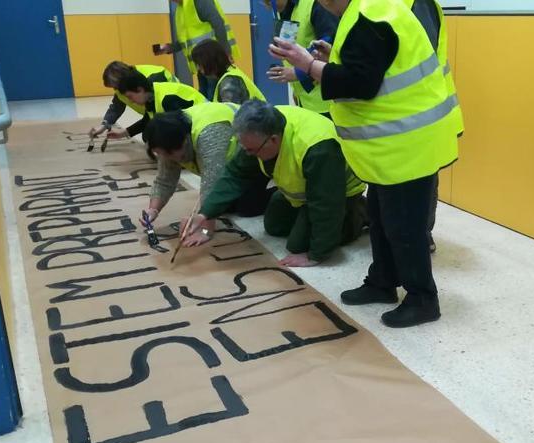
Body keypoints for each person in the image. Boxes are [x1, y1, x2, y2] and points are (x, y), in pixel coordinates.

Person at [269, 0, 459, 326]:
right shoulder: (366, 10)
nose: (320, 4)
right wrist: (333, 59)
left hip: (406, 142)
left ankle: (423, 299)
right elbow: (378, 65)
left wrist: (309, 64)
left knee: (405, 227)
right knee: (382, 218)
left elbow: (362, 84)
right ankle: (382, 282)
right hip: (390, 144)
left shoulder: (371, 16)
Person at [179, 100, 367, 268]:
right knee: (274, 225)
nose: (248, 154)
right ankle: (310, 218)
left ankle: (360, 214)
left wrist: (316, 255)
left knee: (298, 245)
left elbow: (326, 204)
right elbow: (234, 175)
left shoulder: (317, 148)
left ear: (274, 140)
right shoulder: (259, 134)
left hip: (337, 192)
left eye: (251, 150)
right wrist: (205, 214)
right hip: (302, 191)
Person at [141, 103, 271, 231]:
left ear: (184, 142)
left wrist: (205, 230)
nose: (165, 158)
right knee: (223, 204)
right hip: (234, 161)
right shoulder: (169, 138)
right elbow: (164, 180)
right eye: (160, 154)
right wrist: (153, 210)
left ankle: (277, 192)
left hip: (256, 150)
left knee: (247, 206)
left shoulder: (209, 135)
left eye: (167, 153)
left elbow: (211, 182)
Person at [404, 0, 464, 252]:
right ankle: (410, 235)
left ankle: (420, 236)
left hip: (422, 108)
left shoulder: (419, 4)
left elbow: (419, 58)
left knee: (422, 178)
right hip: (406, 109)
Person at [263, 0, 338, 116]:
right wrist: (297, 91)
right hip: (305, 100)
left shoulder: (314, 5)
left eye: (268, 2)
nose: (267, 6)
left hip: (327, 101)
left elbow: (328, 47)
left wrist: (297, 73)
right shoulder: (284, 10)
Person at [158, 0, 240, 99]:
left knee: (212, 94)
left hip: (213, 59)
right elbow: (186, 40)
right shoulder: (181, 9)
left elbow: (218, 23)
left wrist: (226, 52)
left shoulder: (200, 2)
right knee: (203, 94)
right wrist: (170, 47)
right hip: (201, 63)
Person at [89, 62, 178, 139]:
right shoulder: (124, 86)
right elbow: (117, 107)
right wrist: (104, 125)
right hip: (157, 113)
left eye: (115, 87)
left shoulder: (153, 80)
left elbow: (154, 117)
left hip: (175, 110)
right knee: (149, 135)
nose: (117, 91)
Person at [113, 70, 206, 140]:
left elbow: (182, 129)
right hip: (196, 123)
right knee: (149, 134)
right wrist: (123, 133)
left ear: (140, 90)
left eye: (130, 96)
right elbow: (146, 121)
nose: (131, 101)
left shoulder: (167, 100)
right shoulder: (151, 95)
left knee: (158, 135)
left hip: (205, 125)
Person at [190, 39, 266, 103]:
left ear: (209, 62)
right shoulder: (231, 73)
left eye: (199, 64)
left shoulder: (229, 82)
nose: (198, 68)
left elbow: (230, 114)